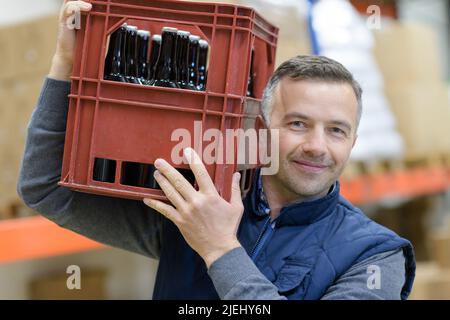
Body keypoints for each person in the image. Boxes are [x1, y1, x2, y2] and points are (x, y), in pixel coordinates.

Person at [18, 0, 415, 300]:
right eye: (297, 124)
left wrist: (219, 247)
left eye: (336, 131)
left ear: (353, 143)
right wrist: (65, 63)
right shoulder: (193, 208)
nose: (316, 146)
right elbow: (46, 188)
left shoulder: (377, 255)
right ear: (259, 127)